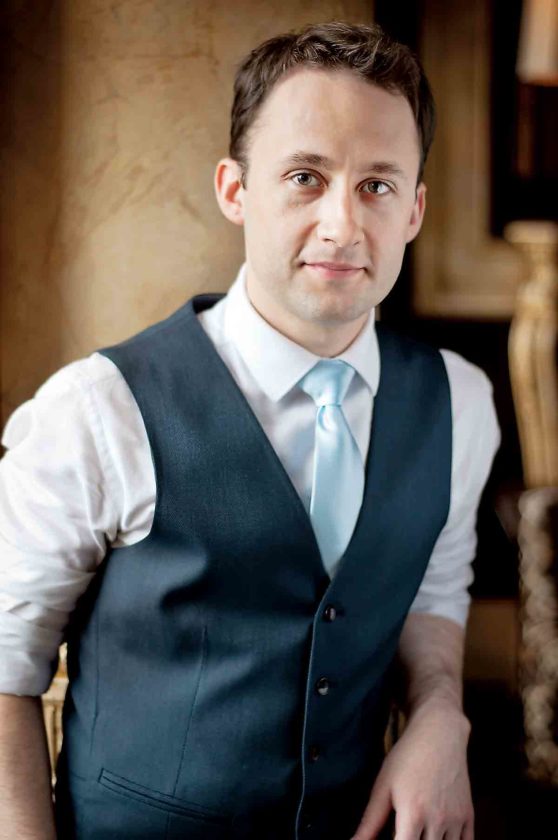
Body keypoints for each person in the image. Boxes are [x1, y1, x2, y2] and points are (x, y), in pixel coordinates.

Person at [0, 20, 500, 840]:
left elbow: (433, 594)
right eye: (306, 177)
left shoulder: (462, 401)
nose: (343, 225)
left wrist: (441, 713)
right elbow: (4, 674)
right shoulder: (96, 409)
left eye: (377, 186)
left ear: (415, 209)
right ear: (235, 191)